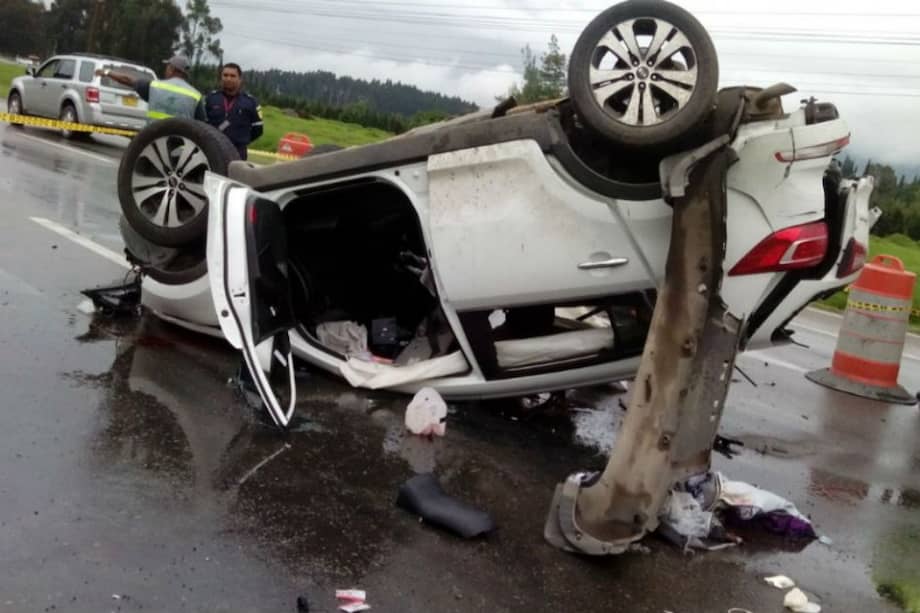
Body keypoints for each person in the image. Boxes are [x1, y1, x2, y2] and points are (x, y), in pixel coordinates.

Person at [97, 56, 204, 124]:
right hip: (181, 149)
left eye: (167, 67)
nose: (166, 70)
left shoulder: (154, 86)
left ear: (171, 69)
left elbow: (127, 80)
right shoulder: (196, 96)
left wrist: (107, 72)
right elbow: (202, 125)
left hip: (152, 142)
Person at [202, 63, 264, 160]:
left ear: (240, 79)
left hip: (237, 153)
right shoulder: (210, 98)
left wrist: (242, 140)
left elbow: (258, 130)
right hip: (211, 150)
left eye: (232, 76)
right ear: (221, 77)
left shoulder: (251, 102)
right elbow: (201, 123)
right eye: (225, 75)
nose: (228, 79)